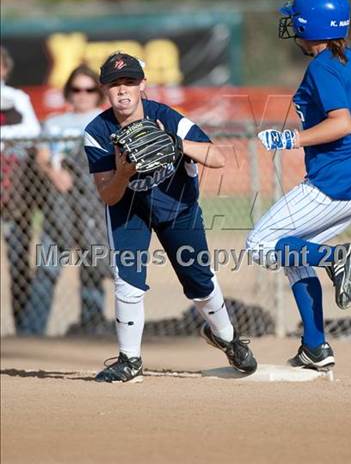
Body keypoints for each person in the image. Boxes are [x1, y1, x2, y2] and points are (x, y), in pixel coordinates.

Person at [246, 0, 351, 370]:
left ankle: (334, 257)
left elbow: (342, 122)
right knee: (294, 253)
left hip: (335, 184)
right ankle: (315, 347)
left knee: (261, 244)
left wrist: (290, 138)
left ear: (306, 26)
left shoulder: (322, 66)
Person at [84, 52, 257, 383]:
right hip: (128, 209)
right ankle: (129, 360)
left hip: (177, 207)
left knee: (200, 282)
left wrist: (176, 143)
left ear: (143, 85)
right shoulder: (96, 131)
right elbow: (107, 194)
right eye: (114, 84)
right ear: (105, 90)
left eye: (130, 82)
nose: (123, 91)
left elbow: (218, 158)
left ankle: (226, 337)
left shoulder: (168, 117)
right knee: (127, 281)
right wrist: (122, 174)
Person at [22, 65, 113, 335]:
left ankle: (91, 326)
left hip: (92, 209)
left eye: (88, 89)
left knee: (93, 269)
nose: (82, 95)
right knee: (47, 271)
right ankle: (31, 334)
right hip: (59, 208)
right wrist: (54, 173)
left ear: (97, 93)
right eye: (76, 89)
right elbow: (41, 158)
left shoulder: (107, 121)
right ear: (68, 93)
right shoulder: (54, 123)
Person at [1, 45, 41, 333]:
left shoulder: (15, 99)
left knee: (17, 257)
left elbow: (32, 132)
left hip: (13, 190)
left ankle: (22, 328)